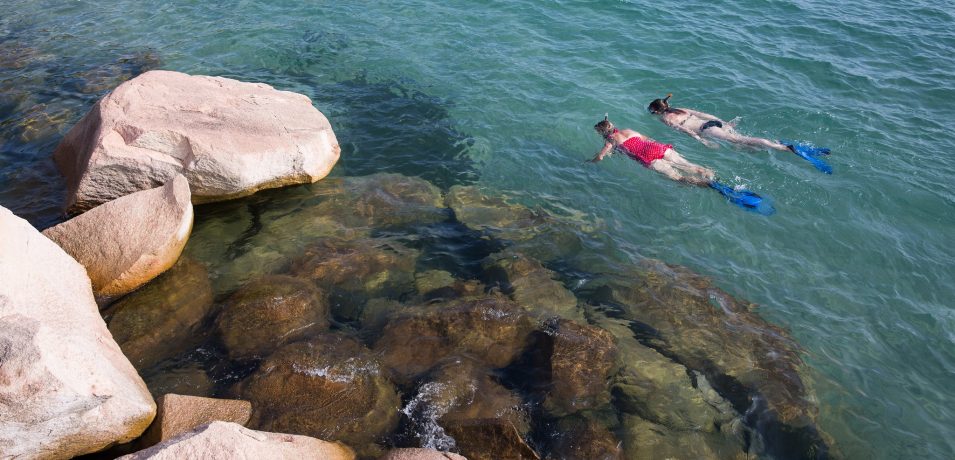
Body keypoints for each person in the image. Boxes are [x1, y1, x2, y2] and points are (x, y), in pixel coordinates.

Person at [589, 116, 714, 186]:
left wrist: (590, 161)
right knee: (688, 165)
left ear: (602, 133)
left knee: (677, 177)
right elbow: (646, 138)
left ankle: (704, 184)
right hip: (656, 147)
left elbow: (600, 157)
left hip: (646, 156)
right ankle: (708, 173)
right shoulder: (628, 130)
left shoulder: (610, 141)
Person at [647, 93, 791, 152]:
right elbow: (703, 114)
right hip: (712, 122)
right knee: (738, 143)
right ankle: (762, 147)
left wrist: (701, 140)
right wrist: (723, 122)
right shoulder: (680, 109)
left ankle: (778, 146)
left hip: (706, 129)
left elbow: (685, 130)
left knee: (739, 139)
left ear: (657, 111)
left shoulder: (665, 119)